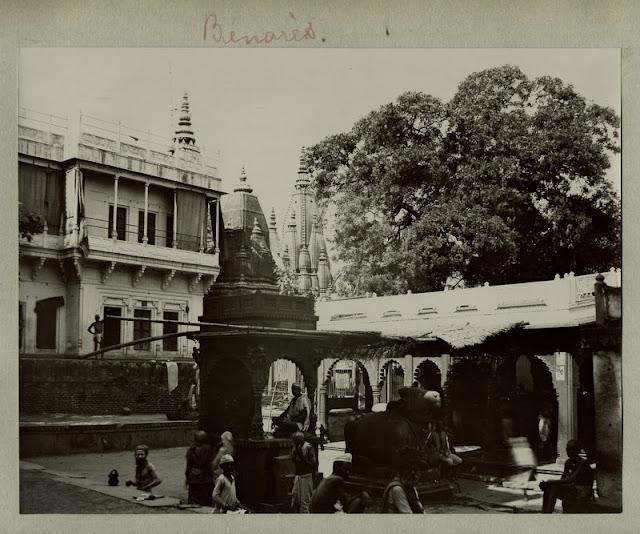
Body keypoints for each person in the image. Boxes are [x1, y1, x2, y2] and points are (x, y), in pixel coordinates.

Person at [539, 440, 594, 513]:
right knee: (549, 488)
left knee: (553, 486)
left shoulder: (583, 463)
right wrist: (548, 484)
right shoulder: (568, 462)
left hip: (583, 489)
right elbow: (563, 479)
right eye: (567, 448)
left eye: (570, 448)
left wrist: (550, 481)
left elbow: (572, 478)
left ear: (576, 450)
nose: (568, 450)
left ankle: (547, 512)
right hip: (573, 487)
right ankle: (545, 512)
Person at [185, 430, 215, 507]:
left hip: (194, 477)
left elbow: (189, 464)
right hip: (204, 478)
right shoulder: (208, 448)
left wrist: (187, 478)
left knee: (193, 499)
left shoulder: (192, 448)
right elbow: (207, 464)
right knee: (205, 500)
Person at [290, 431, 317, 513]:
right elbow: (293, 460)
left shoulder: (308, 447)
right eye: (295, 441)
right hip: (298, 476)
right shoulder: (295, 447)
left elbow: (313, 464)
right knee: (295, 499)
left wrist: (301, 455)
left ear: (302, 439)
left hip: (306, 476)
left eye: (298, 440)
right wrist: (296, 452)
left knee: (305, 502)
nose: (296, 442)